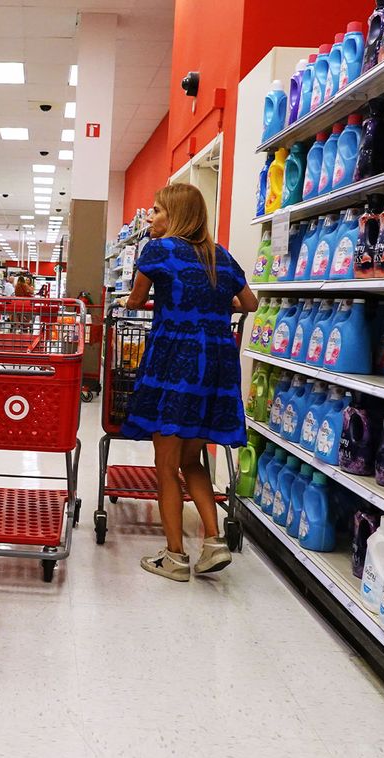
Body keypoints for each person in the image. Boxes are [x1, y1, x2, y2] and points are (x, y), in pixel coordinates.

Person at [122, 183, 257, 580]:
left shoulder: (159, 251)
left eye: (158, 211)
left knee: (165, 464)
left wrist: (134, 303)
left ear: (176, 216)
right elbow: (249, 304)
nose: (151, 218)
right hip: (215, 365)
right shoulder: (221, 256)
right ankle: (213, 542)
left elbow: (134, 299)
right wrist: (215, 306)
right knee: (192, 458)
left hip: (174, 362)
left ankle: (175, 556)